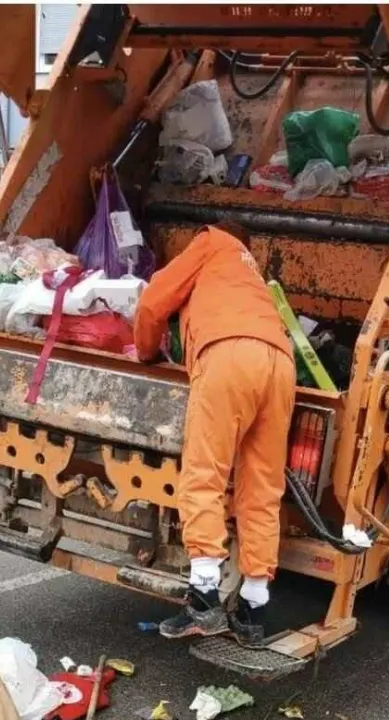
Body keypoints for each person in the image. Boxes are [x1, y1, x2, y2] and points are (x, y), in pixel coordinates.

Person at [133, 221, 295, 647]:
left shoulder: (211, 242)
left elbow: (152, 302)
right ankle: (253, 609)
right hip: (280, 365)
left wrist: (147, 352)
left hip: (229, 355)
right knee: (261, 487)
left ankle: (204, 599)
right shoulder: (249, 272)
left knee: (204, 473)